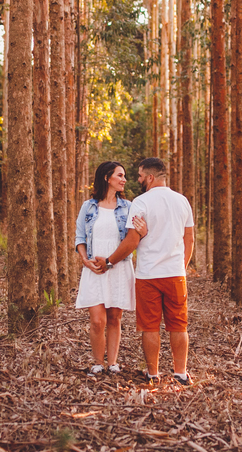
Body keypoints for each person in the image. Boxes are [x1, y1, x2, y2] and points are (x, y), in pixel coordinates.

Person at [97, 157, 194, 386]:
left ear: (150, 177)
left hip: (148, 276)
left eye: (140, 176)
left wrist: (109, 261)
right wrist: (182, 266)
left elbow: (132, 240)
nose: (138, 180)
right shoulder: (182, 201)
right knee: (179, 325)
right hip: (175, 274)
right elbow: (188, 238)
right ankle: (180, 373)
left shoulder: (140, 203)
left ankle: (153, 374)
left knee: (150, 326)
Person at [73, 161, 136, 375]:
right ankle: (98, 362)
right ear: (107, 177)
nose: (124, 179)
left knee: (114, 318)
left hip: (118, 267)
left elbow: (133, 238)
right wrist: (85, 259)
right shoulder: (88, 206)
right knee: (97, 320)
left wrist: (112, 260)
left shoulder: (128, 207)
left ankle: (113, 363)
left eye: (124, 175)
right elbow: (80, 237)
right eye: (120, 175)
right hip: (94, 268)